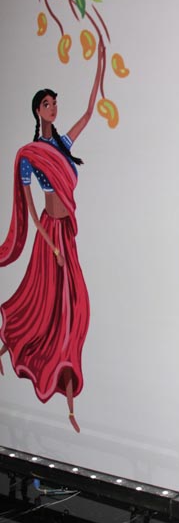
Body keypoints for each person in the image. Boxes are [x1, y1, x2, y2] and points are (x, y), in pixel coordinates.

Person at [0, 43, 103, 433]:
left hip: (65, 236)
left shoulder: (62, 145)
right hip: (50, 237)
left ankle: (70, 397)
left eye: (55, 103)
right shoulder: (30, 154)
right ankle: (12, 347)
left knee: (73, 308)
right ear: (37, 111)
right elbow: (30, 207)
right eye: (47, 104)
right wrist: (49, 242)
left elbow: (89, 113)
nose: (53, 108)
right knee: (45, 306)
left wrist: (100, 66)